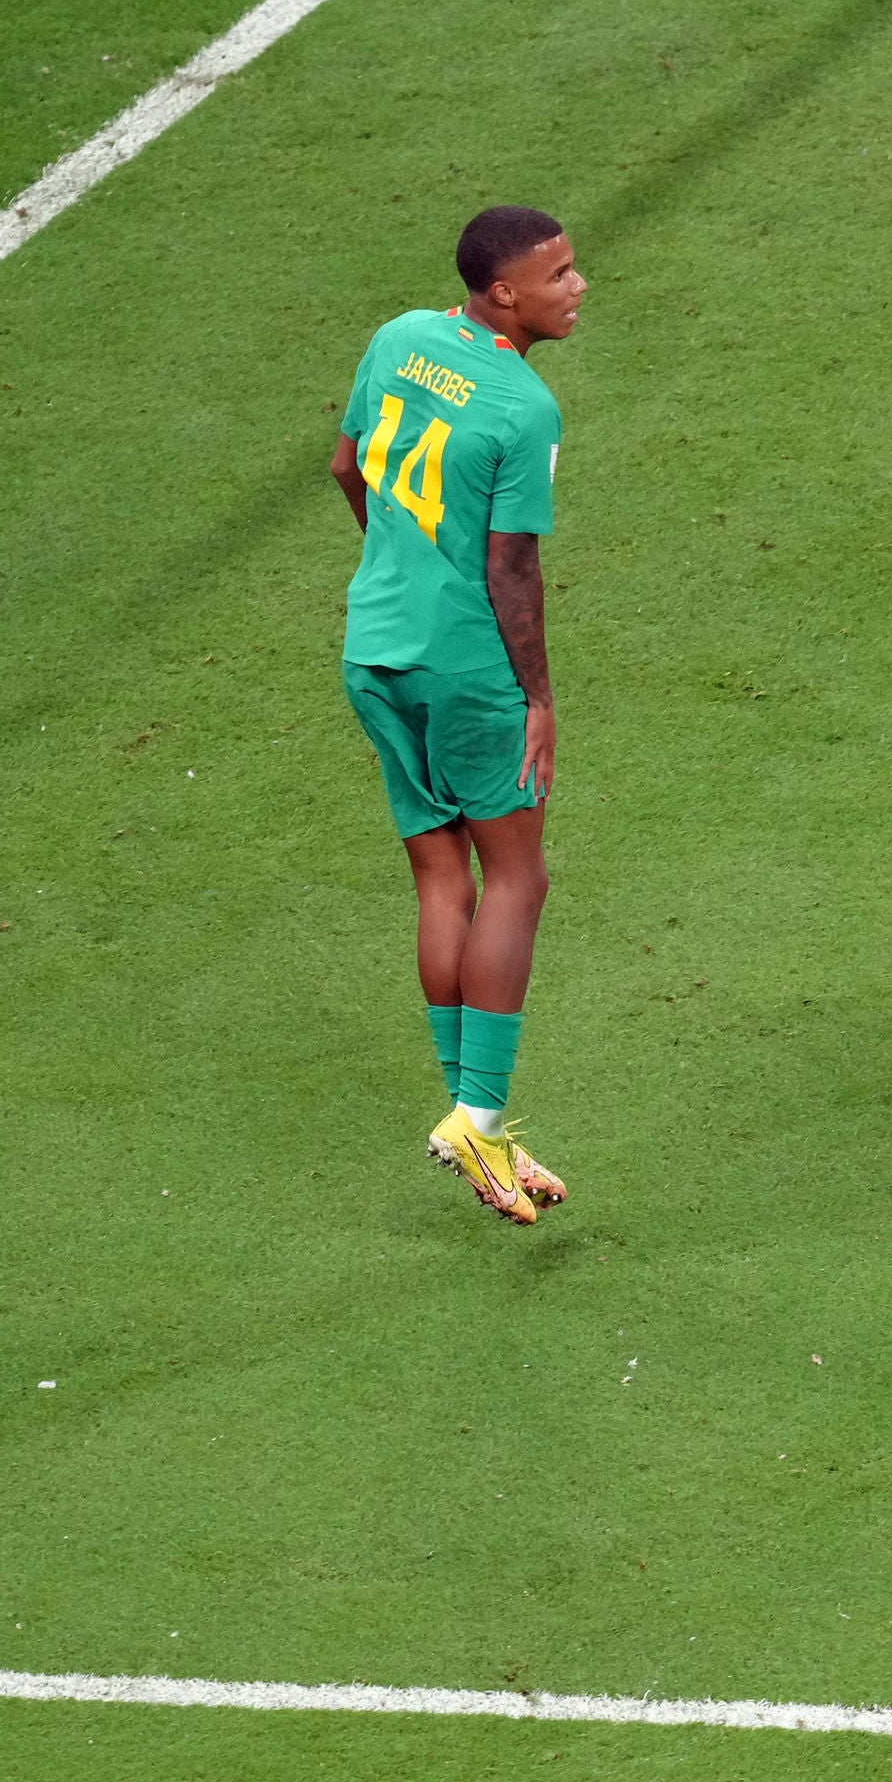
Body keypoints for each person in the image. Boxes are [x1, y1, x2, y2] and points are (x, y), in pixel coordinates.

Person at [327, 206, 586, 1223]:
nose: (578, 286)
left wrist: (398, 562)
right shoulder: (524, 408)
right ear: (505, 293)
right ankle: (476, 1118)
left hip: (373, 648)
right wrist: (538, 699)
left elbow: (348, 469)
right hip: (469, 670)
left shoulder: (398, 337)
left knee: (442, 875)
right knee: (517, 877)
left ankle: (472, 1123)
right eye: (558, 274)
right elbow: (510, 566)